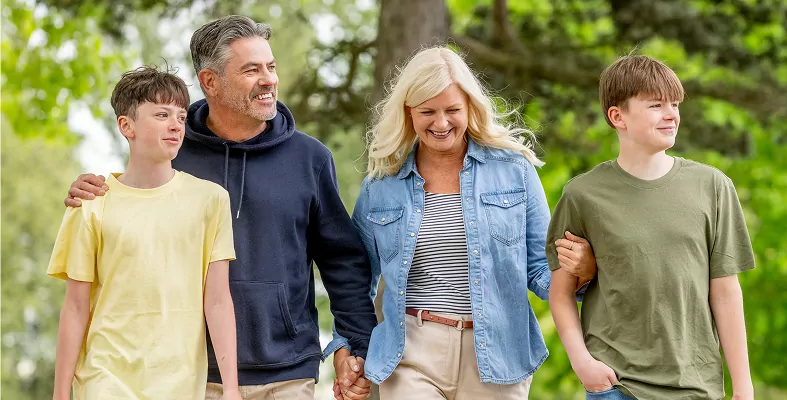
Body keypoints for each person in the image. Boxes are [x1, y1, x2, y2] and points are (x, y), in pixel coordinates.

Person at [62, 15, 377, 400]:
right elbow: (132, 198)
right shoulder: (172, 151)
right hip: (191, 372)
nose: (269, 79)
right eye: (251, 70)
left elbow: (342, 262)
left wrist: (356, 345)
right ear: (210, 82)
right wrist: (92, 188)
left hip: (289, 368)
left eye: (271, 67)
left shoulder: (309, 158)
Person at [336, 46, 596, 400]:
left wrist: (583, 273)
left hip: (498, 353)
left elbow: (539, 269)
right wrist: (349, 349)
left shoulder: (514, 171)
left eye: (452, 110)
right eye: (428, 111)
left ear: (470, 107)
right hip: (412, 351)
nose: (441, 123)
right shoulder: (381, 186)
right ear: (408, 112)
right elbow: (356, 279)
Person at [547, 54, 755, 400]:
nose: (671, 114)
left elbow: (726, 293)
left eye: (674, 104)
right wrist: (582, 363)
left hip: (696, 387)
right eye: (656, 105)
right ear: (618, 117)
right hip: (618, 386)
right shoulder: (582, 195)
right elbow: (561, 292)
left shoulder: (713, 186)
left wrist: (743, 387)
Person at [49, 66, 241, 399]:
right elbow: (75, 307)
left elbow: (218, 300)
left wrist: (231, 388)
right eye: (162, 114)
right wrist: (60, 394)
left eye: (181, 117)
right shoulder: (91, 203)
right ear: (127, 126)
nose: (175, 125)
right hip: (103, 375)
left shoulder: (210, 201)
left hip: (178, 380)